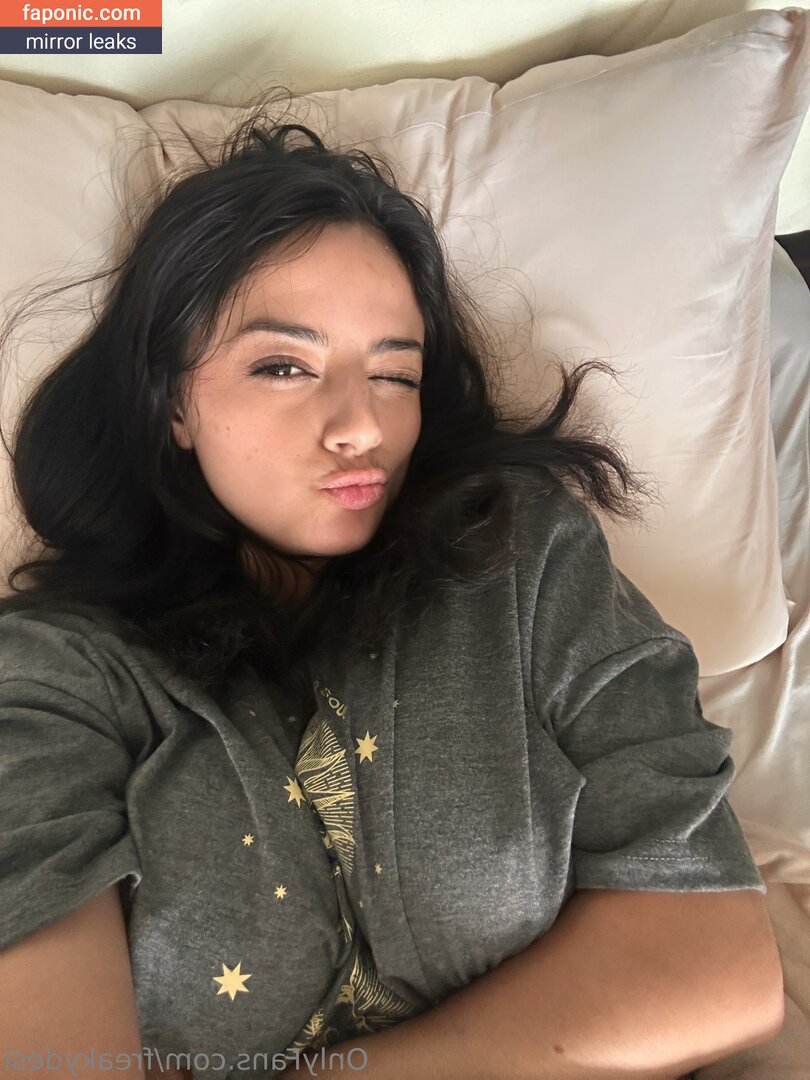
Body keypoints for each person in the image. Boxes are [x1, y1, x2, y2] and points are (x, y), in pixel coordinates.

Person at [0, 92, 784, 1080]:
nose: (360, 427)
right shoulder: (54, 675)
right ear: (172, 404)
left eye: (395, 375)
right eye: (284, 367)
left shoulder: (523, 558)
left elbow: (721, 959)